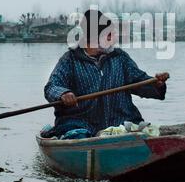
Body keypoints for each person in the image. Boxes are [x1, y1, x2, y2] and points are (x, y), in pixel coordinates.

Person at [43, 9, 169, 138]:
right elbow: (52, 86)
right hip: (80, 123)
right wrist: (63, 94)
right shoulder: (70, 60)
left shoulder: (120, 57)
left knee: (142, 132)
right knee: (77, 135)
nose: (113, 39)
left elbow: (139, 82)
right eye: (108, 35)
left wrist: (156, 84)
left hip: (121, 121)